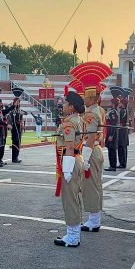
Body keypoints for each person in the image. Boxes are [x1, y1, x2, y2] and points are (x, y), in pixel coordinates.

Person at [70, 61, 112, 233]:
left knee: (90, 186)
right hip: (95, 149)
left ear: (92, 97)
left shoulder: (91, 113)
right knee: (94, 185)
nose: (83, 99)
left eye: (85, 96)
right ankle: (94, 218)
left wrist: (85, 158)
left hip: (91, 150)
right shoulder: (97, 111)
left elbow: (91, 136)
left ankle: (94, 220)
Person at [53, 89, 85, 247]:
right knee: (75, 198)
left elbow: (70, 146)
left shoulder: (69, 122)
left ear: (71, 107)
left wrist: (66, 169)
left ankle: (72, 237)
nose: (62, 105)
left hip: (69, 161)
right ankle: (74, 234)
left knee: (70, 200)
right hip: (75, 159)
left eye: (65, 103)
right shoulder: (78, 119)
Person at [8, 88, 25, 163]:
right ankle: (14, 158)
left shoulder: (20, 110)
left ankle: (16, 157)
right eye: (17, 102)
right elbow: (11, 119)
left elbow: (21, 118)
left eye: (19, 102)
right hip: (14, 128)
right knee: (15, 142)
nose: (18, 103)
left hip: (19, 128)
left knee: (18, 142)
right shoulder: (12, 110)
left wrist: (22, 123)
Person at [104, 97, 120, 172]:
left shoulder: (113, 112)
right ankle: (112, 165)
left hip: (111, 131)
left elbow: (113, 124)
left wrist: (111, 135)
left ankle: (113, 166)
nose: (109, 104)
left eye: (110, 102)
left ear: (113, 104)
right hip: (109, 130)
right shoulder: (112, 111)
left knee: (112, 150)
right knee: (110, 149)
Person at [117, 90, 132, 169]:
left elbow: (119, 121)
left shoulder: (122, 111)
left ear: (122, 104)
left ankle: (122, 163)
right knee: (124, 148)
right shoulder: (126, 110)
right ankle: (123, 163)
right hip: (124, 131)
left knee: (121, 148)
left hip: (121, 131)